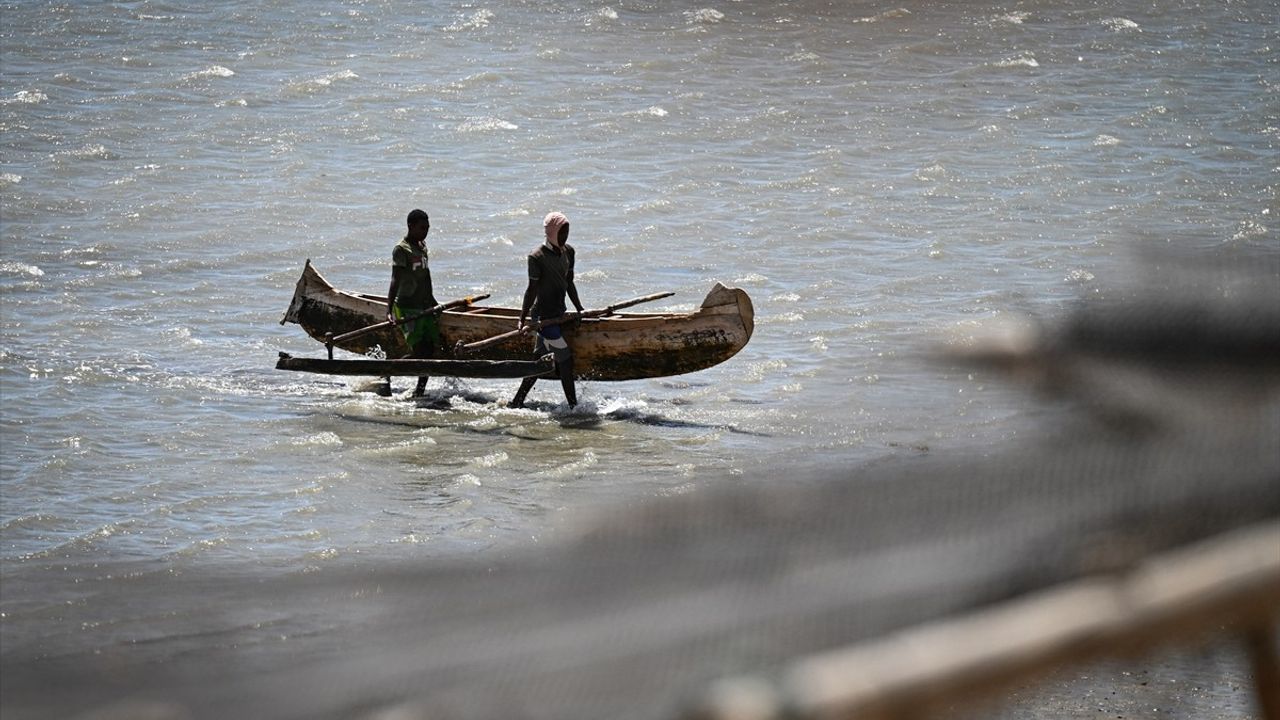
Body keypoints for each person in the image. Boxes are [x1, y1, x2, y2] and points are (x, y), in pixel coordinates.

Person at [509, 211, 585, 408]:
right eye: (562, 232)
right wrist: (523, 318)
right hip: (543, 318)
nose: (565, 237)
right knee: (565, 361)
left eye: (567, 232)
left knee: (538, 361)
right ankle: (573, 407)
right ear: (552, 232)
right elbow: (531, 289)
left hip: (559, 314)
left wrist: (579, 309)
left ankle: (516, 402)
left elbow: (569, 283)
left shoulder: (569, 252)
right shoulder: (537, 257)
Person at [386, 208, 439, 398]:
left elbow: (426, 276)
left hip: (424, 305)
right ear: (410, 226)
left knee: (430, 351)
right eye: (422, 228)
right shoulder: (402, 249)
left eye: (428, 228)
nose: (425, 231)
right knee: (418, 351)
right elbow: (395, 280)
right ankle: (388, 371)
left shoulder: (422, 246)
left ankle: (420, 391)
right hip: (407, 306)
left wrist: (432, 301)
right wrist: (389, 309)